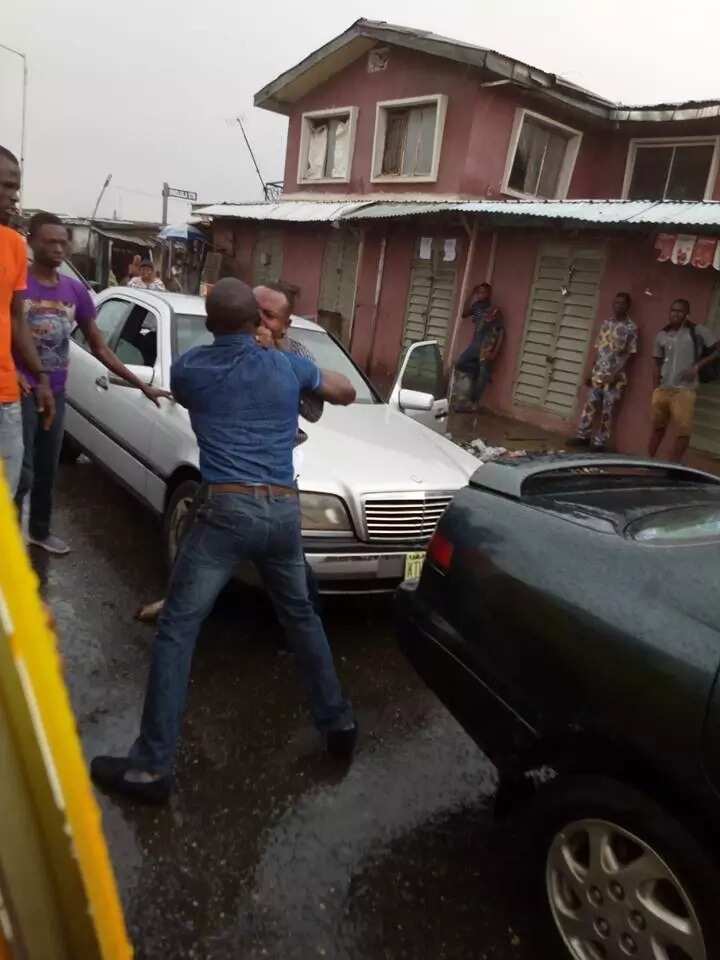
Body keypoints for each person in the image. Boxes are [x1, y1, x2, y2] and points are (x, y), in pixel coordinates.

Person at [91, 279, 357, 804]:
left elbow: (191, 394)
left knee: (178, 628)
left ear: (212, 324)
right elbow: (342, 390)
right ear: (256, 323)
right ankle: (339, 725)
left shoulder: (192, 368)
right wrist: (285, 357)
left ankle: (151, 767)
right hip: (282, 509)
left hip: (226, 511)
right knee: (301, 616)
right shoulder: (287, 366)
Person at [15, 213, 172, 554]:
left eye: (63, 242)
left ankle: (39, 531)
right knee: (20, 470)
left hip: (56, 391)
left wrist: (141, 385)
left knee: (46, 467)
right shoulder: (17, 283)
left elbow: (99, 345)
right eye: (49, 241)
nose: (58, 248)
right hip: (20, 390)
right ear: (31, 241)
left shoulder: (75, 292)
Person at [0, 145, 54, 496]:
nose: (13, 195)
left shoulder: (15, 245)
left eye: (15, 186)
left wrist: (42, 378)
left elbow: (16, 319)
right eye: (5, 185)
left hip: (5, 398)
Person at [649, 298, 719, 463]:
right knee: (657, 429)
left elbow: (716, 351)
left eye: (680, 311)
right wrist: (655, 389)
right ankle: (649, 462)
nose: (675, 313)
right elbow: (656, 363)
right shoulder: (662, 334)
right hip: (663, 390)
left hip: (684, 391)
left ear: (687, 314)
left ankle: (672, 466)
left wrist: (697, 367)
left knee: (683, 431)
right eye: (673, 310)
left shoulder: (698, 331)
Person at [567, 292, 638, 452]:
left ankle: (600, 443)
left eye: (622, 303)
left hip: (615, 377)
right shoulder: (606, 323)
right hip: (598, 373)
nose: (618, 305)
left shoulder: (631, 328)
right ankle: (583, 436)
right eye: (616, 302)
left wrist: (616, 373)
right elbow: (598, 349)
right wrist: (590, 371)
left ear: (628, 306)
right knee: (590, 405)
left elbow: (629, 355)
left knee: (608, 409)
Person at [453, 282, 504, 409]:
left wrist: (494, 353)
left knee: (483, 375)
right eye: (479, 292)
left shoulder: (495, 310)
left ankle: (473, 403)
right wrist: (471, 294)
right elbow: (463, 313)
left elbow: (501, 332)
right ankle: (476, 371)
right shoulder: (476, 306)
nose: (481, 295)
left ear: (489, 294)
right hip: (475, 344)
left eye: (483, 292)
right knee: (460, 363)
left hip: (486, 347)